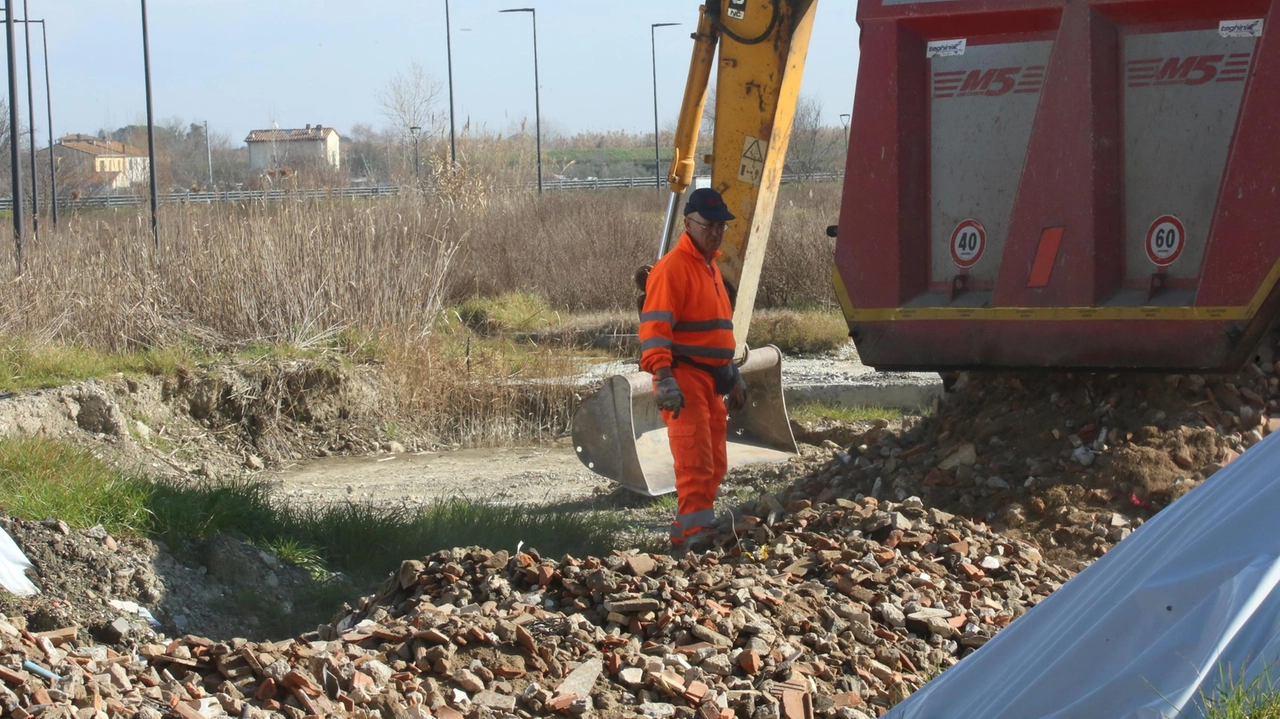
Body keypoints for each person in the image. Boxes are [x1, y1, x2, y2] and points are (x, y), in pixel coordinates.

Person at [638, 187, 747, 553]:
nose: (715, 232)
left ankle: (689, 533)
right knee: (695, 462)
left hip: (711, 379)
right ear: (688, 223)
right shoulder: (673, 269)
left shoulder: (708, 266)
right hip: (683, 378)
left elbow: (716, 328)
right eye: (709, 225)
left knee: (714, 463)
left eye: (721, 226)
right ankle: (694, 539)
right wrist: (664, 377)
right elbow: (654, 329)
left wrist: (731, 372)